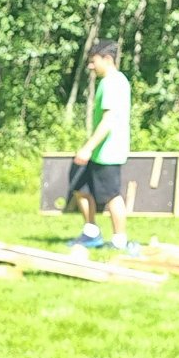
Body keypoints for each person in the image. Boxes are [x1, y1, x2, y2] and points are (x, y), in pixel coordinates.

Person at [68, 39, 138, 254]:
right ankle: (91, 233)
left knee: (111, 195)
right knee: (81, 188)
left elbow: (108, 121)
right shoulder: (115, 81)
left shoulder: (112, 83)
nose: (90, 66)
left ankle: (119, 240)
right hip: (101, 151)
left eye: (93, 61)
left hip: (108, 152)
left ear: (107, 59)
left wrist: (88, 148)